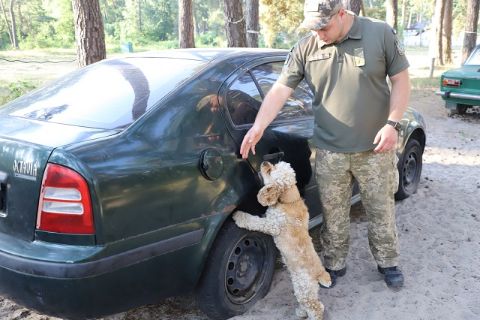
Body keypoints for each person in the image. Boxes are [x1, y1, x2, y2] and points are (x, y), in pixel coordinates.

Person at [240, 0, 410, 289]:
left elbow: (401, 80)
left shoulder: (379, 33)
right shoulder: (306, 47)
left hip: (374, 150)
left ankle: (387, 262)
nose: (319, 33)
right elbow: (281, 88)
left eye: (324, 26)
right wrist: (259, 125)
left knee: (381, 210)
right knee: (333, 214)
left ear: (342, 14)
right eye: (313, 27)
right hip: (330, 151)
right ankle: (334, 263)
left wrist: (392, 123)